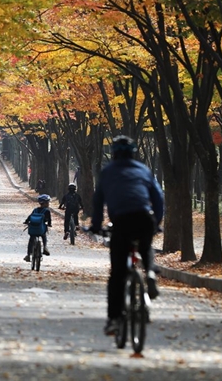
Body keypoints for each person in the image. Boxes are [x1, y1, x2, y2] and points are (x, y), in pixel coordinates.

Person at [89, 135, 164, 337]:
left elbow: (98, 201)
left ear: (113, 154)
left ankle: (114, 320)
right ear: (133, 153)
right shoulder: (143, 170)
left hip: (121, 220)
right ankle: (149, 272)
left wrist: (95, 226)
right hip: (144, 217)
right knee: (145, 245)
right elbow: (158, 197)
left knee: (117, 275)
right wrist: (156, 223)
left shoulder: (108, 172)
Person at [23, 194, 52, 261]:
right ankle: (45, 247)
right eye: (48, 202)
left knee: (31, 239)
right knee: (44, 236)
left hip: (33, 229)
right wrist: (49, 224)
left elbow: (30, 216)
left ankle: (28, 255)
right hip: (41, 229)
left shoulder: (35, 210)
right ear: (45, 203)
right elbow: (49, 220)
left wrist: (26, 222)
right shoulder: (47, 211)